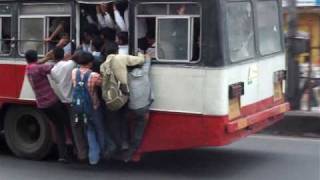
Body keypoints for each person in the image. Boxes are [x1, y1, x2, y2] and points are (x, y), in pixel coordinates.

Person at [25, 50, 69, 163]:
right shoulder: (40, 68)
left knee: (58, 126)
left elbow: (37, 64)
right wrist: (62, 59)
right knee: (67, 123)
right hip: (52, 101)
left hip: (42, 104)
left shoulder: (29, 68)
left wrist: (46, 59)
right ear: (36, 57)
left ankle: (62, 155)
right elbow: (54, 68)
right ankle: (74, 151)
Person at [72, 52, 114, 165]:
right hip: (93, 107)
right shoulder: (94, 75)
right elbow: (106, 85)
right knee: (99, 129)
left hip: (79, 107)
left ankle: (93, 158)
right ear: (90, 63)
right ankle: (101, 153)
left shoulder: (74, 72)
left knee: (89, 130)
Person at [100, 46, 145, 153]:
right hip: (123, 93)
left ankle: (118, 143)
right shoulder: (121, 58)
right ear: (116, 51)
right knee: (124, 119)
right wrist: (140, 53)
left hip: (111, 96)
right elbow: (140, 60)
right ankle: (125, 142)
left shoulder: (103, 65)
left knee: (113, 121)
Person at [48, 48, 89, 161]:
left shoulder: (53, 70)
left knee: (74, 127)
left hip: (65, 101)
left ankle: (80, 152)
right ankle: (83, 153)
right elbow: (77, 57)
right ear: (64, 55)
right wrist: (71, 57)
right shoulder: (69, 65)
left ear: (53, 57)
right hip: (76, 100)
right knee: (82, 127)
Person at [124, 54, 153, 162]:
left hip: (131, 107)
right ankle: (131, 152)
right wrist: (142, 54)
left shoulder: (127, 76)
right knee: (138, 132)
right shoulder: (145, 72)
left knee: (125, 121)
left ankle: (125, 142)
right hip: (144, 108)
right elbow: (148, 59)